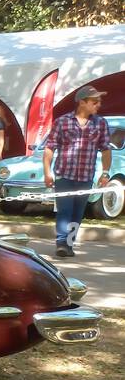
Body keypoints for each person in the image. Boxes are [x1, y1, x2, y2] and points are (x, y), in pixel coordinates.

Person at [44, 86, 111, 257]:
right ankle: (61, 243)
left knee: (77, 214)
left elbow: (105, 149)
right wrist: (47, 172)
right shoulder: (62, 122)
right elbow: (50, 148)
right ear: (82, 102)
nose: (98, 105)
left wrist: (105, 173)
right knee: (64, 210)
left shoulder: (101, 123)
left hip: (86, 177)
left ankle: (69, 244)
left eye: (100, 102)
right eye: (95, 102)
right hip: (64, 175)